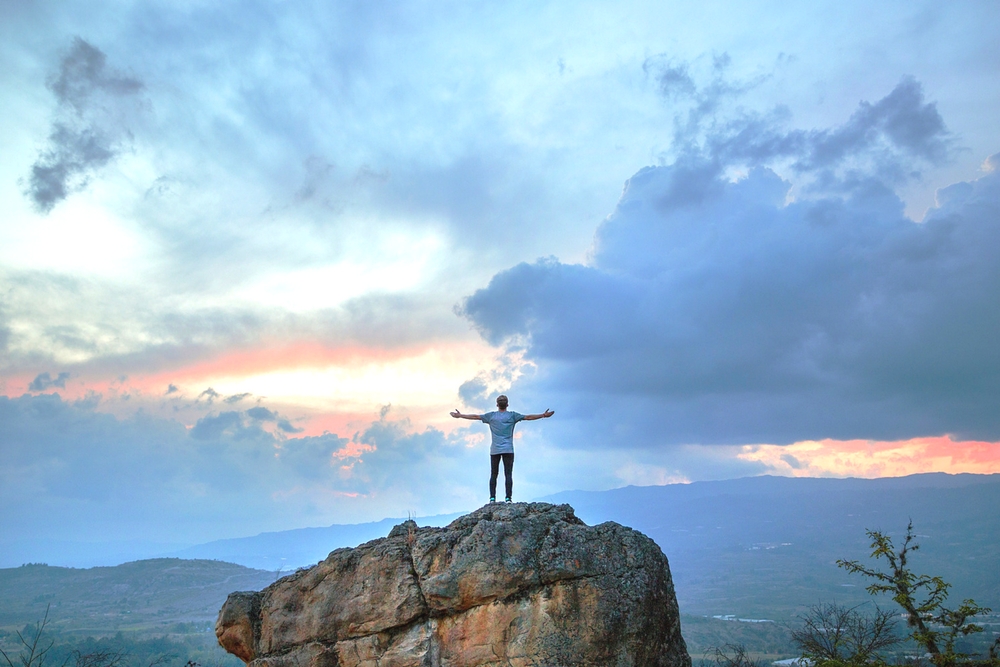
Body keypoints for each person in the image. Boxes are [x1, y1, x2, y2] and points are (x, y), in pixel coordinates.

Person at [451, 395, 554, 503]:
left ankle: (492, 498)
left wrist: (460, 415)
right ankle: (508, 498)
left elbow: (476, 416)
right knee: (508, 474)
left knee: (493, 474)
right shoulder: (513, 416)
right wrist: (543, 415)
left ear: (497, 404)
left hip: (495, 450)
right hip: (508, 449)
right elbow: (528, 417)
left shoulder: (491, 416)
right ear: (507, 404)